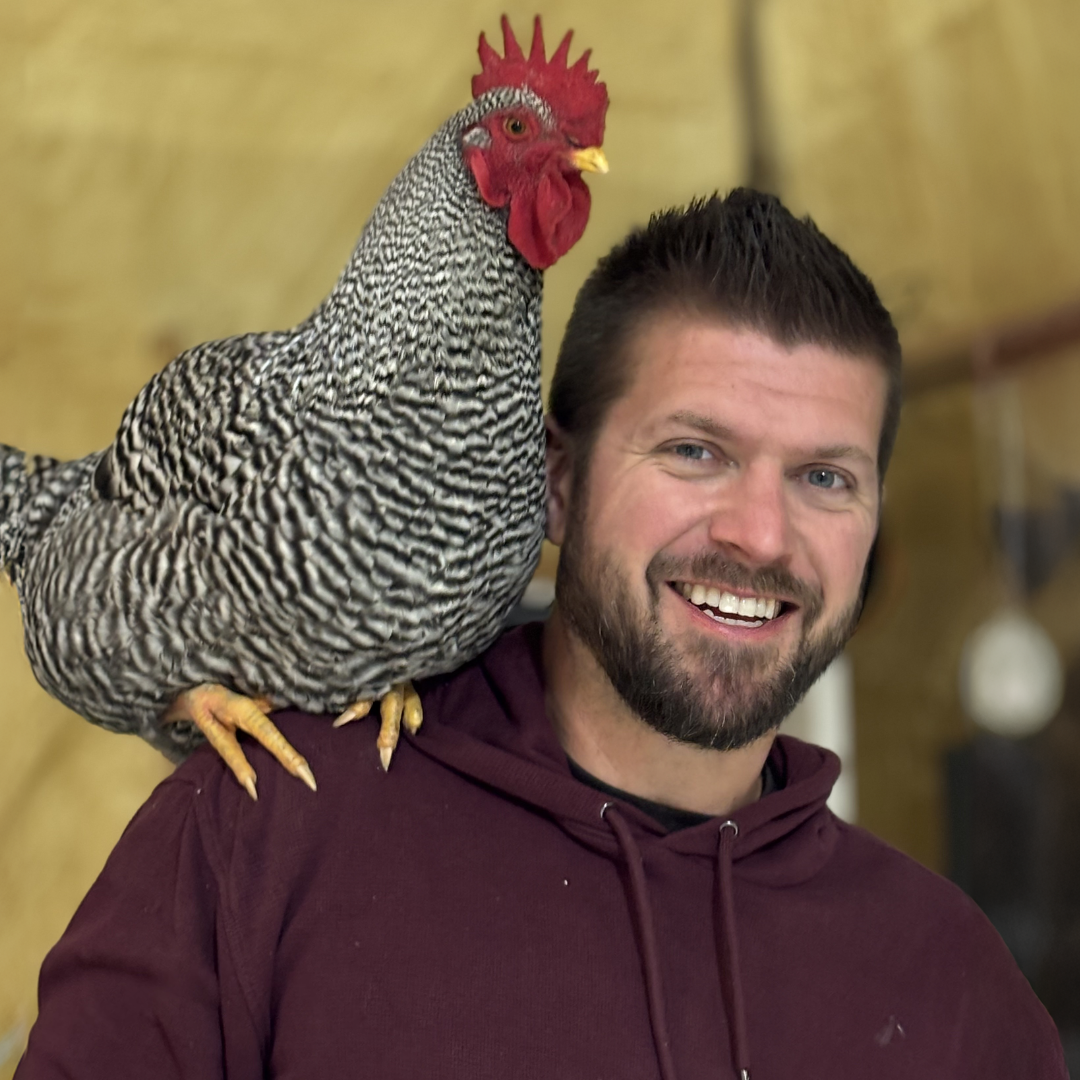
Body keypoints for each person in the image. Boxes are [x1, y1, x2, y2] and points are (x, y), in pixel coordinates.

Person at [17, 190, 1066, 1079]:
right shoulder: (258, 835)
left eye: (825, 477)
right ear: (554, 484)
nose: (760, 534)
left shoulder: (948, 981)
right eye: (698, 452)